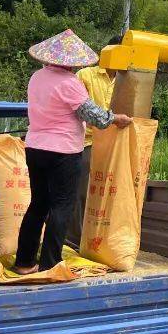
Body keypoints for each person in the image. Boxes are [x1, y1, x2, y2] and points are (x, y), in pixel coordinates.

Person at [13, 30, 132, 274]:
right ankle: (50, 264)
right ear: (72, 61)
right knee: (62, 206)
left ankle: (24, 261)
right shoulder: (69, 83)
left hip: (35, 148)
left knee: (38, 204)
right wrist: (115, 118)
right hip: (62, 152)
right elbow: (94, 116)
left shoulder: (36, 78)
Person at [66, 34, 123, 248]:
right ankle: (74, 242)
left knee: (107, 196)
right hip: (86, 143)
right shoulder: (85, 75)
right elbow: (81, 112)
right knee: (80, 194)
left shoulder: (126, 79)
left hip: (113, 146)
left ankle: (100, 241)